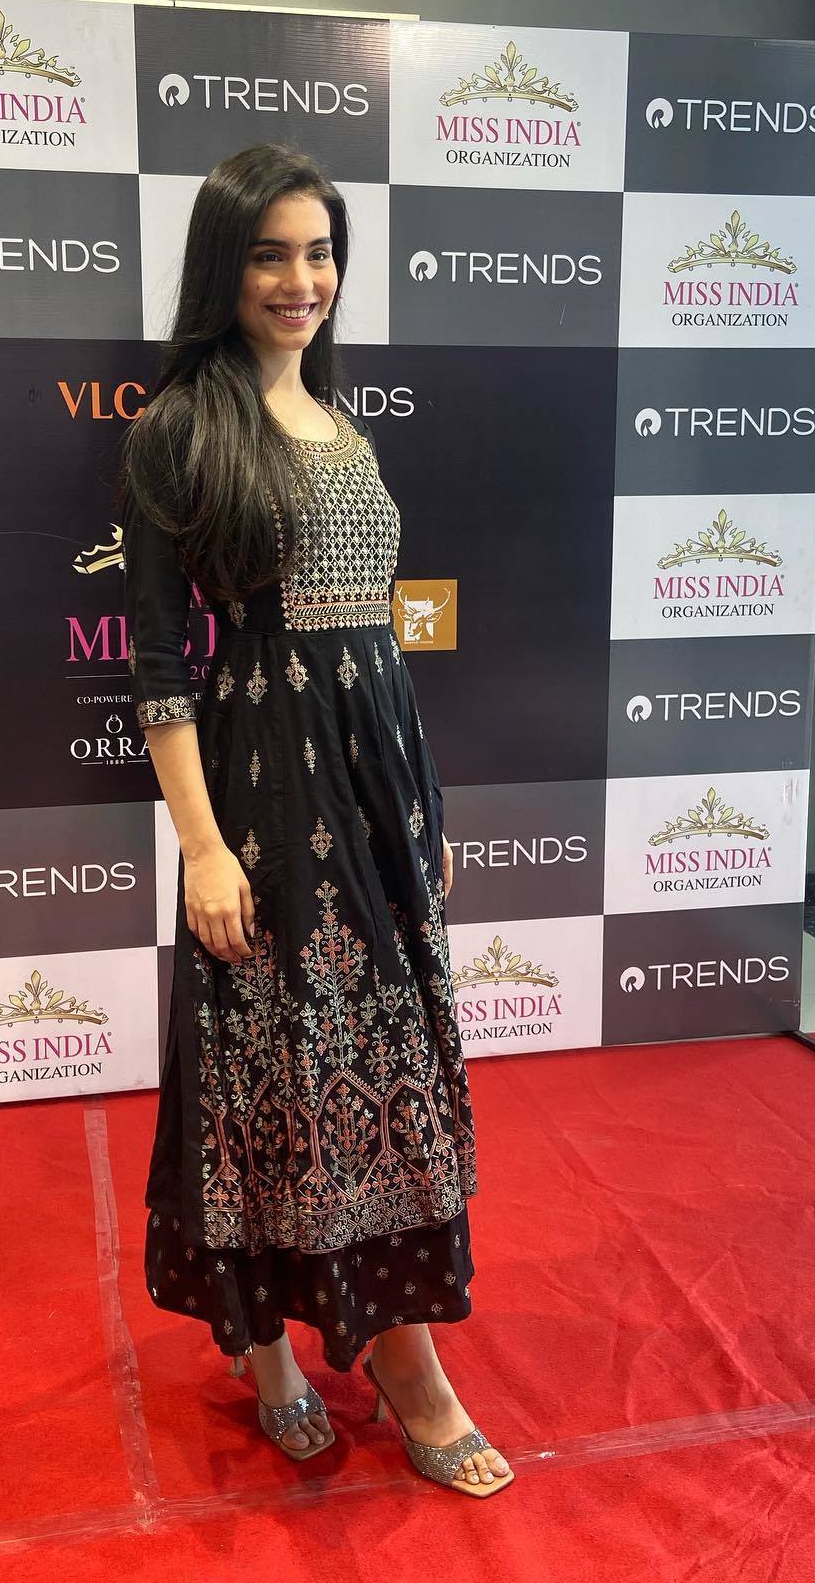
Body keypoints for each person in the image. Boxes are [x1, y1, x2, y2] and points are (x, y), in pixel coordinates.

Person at [117, 142, 513, 1499]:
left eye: (320, 252)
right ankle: (289, 1353)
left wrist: (423, 799)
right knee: (274, 1070)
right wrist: (203, 847)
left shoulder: (346, 427)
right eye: (270, 255)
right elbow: (159, 665)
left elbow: (380, 648)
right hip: (267, 793)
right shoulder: (179, 431)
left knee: (383, 1064)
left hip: (373, 785)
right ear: (223, 270)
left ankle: (390, 1350)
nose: (301, 280)